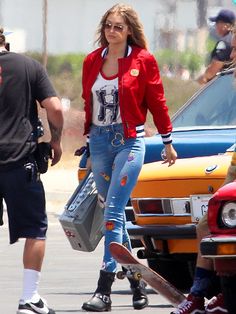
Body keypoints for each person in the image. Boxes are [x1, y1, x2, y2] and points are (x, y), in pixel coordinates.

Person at [80, 3, 177, 312]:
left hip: (130, 141)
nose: (112, 31)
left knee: (112, 210)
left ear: (129, 31)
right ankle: (137, 283)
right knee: (116, 216)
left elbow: (158, 101)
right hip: (99, 141)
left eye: (118, 26)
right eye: (108, 25)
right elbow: (88, 103)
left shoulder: (142, 60)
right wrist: (87, 145)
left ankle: (104, 289)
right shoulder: (92, 61)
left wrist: (167, 141)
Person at [170, 29, 236, 314]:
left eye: (235, 50)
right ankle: (207, 296)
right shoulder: (230, 80)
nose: (231, 56)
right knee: (208, 225)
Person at [0, 28, 64, 314]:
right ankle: (29, 298)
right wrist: (56, 141)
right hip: (19, 161)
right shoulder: (28, 67)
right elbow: (55, 107)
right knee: (35, 230)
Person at [197, 9, 235, 85]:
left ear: (225, 25)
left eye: (217, 23)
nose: (215, 26)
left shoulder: (224, 43)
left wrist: (201, 79)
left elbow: (213, 70)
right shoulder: (233, 38)